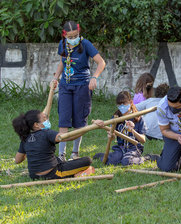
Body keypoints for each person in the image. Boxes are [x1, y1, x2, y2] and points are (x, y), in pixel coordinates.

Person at [51, 21, 106, 161]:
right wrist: (56, 78)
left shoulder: (86, 44)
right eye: (70, 36)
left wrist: (94, 77)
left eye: (75, 35)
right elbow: (62, 62)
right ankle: (61, 155)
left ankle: (75, 153)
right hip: (65, 86)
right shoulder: (62, 44)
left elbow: (101, 62)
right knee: (63, 120)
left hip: (82, 86)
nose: (73, 38)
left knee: (79, 122)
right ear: (65, 35)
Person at [12, 110, 104, 180]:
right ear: (36, 125)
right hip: (52, 173)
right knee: (87, 160)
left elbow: (17, 160)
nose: (46, 120)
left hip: (34, 176)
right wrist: (91, 127)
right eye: (44, 119)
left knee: (57, 159)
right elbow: (68, 137)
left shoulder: (25, 138)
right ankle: (76, 174)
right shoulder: (47, 133)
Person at [93, 91, 147, 166]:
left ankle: (146, 158)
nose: (122, 107)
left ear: (131, 102)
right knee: (111, 161)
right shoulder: (116, 118)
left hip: (134, 148)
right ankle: (108, 156)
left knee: (126, 161)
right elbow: (113, 137)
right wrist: (111, 136)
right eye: (119, 104)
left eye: (124, 104)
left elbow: (143, 140)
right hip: (121, 148)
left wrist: (132, 131)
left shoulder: (139, 118)